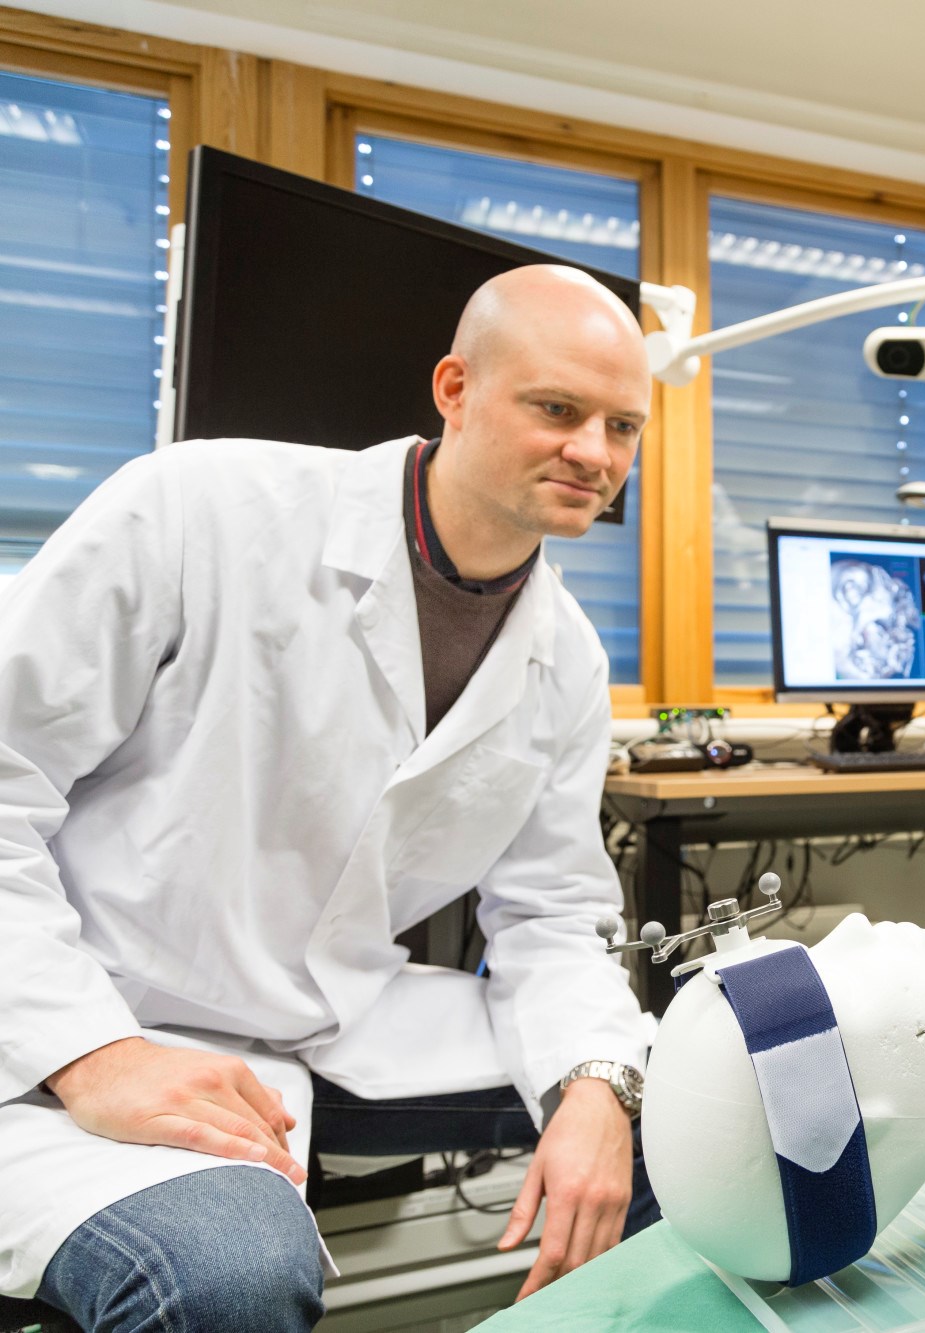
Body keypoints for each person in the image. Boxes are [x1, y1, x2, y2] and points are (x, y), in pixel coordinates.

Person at [0, 264, 658, 1330]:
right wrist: (89, 1052)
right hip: (81, 1007)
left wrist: (596, 1082)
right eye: (557, 409)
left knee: (688, 1118)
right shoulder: (197, 509)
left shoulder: (568, 656)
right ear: (453, 388)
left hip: (325, 1014)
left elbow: (546, 914)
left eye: (621, 425)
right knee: (229, 1274)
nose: (594, 452)